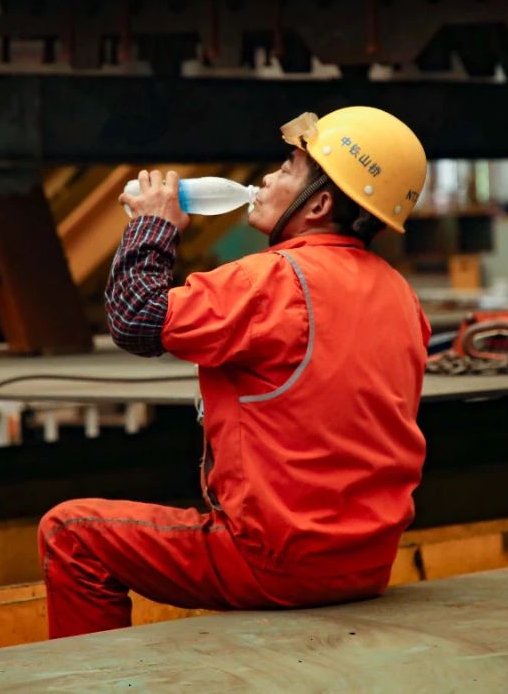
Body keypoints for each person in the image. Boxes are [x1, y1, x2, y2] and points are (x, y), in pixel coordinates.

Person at [37, 105, 431, 639]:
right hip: (365, 564)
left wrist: (153, 226)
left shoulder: (273, 280)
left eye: (289, 168)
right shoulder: (400, 295)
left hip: (276, 563)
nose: (268, 179)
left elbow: (135, 318)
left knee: (70, 533)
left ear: (317, 203)